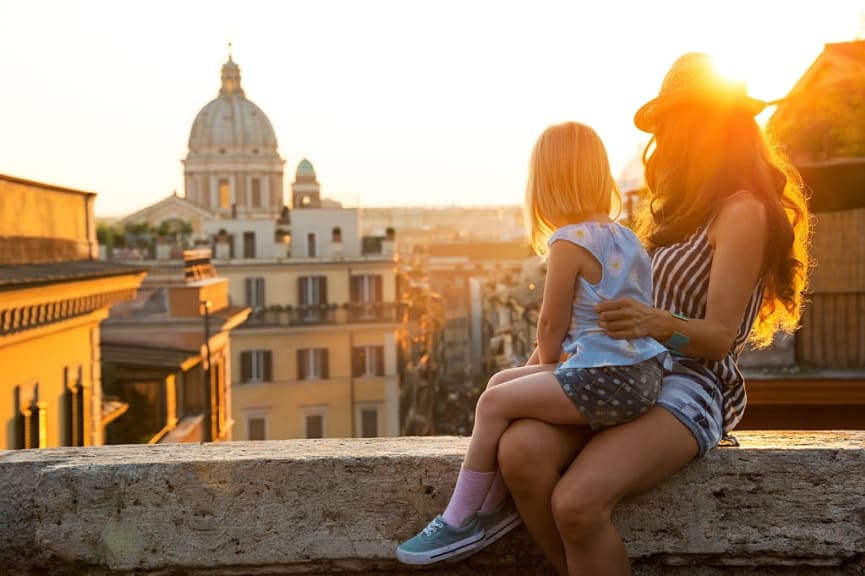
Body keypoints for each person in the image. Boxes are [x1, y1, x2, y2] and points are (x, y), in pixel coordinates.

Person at [495, 52, 812, 575]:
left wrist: (656, 323)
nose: (661, 143)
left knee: (576, 503)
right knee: (520, 455)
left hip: (691, 384)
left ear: (703, 129)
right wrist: (544, 362)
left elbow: (717, 339)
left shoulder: (744, 212)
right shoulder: (671, 215)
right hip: (624, 371)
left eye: (671, 126)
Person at [395, 121, 671, 565]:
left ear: (546, 181)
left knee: (492, 404)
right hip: (641, 377)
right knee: (502, 381)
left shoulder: (568, 241)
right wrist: (530, 376)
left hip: (604, 379)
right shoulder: (629, 238)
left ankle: (462, 518)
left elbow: (550, 326)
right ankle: (490, 504)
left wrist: (545, 369)